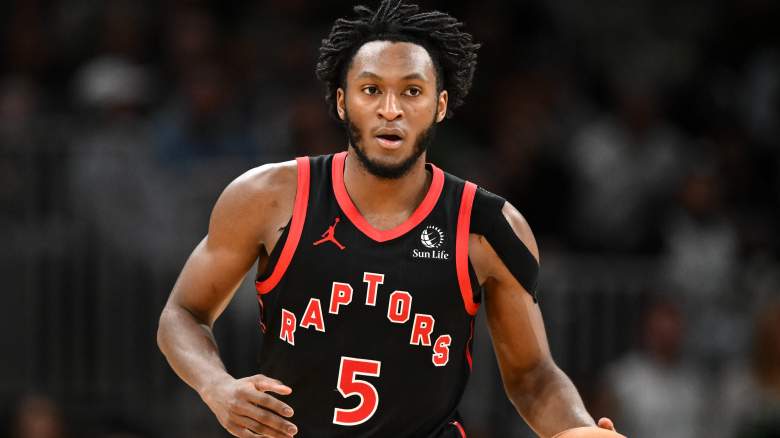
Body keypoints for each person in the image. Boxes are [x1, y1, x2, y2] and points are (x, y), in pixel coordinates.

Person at [157, 1, 618, 436]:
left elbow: (533, 376)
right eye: (371, 89)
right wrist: (216, 386)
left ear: (440, 105)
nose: (390, 109)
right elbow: (182, 313)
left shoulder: (489, 226)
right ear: (342, 102)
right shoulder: (269, 197)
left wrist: (577, 427)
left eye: (412, 91)